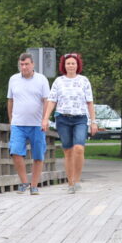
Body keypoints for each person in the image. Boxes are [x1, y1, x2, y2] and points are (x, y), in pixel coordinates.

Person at [42, 52, 98, 193]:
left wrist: (93, 122)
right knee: (67, 151)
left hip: (80, 118)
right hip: (63, 119)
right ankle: (70, 183)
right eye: (68, 63)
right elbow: (52, 101)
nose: (71, 66)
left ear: (78, 65)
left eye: (73, 63)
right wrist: (45, 119)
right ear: (64, 66)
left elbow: (90, 102)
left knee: (78, 148)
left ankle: (77, 180)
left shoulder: (84, 81)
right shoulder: (58, 81)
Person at [7, 52, 50, 194]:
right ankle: (24, 182)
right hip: (18, 123)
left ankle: (34, 185)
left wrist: (45, 119)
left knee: (38, 155)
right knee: (15, 151)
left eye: (26, 64)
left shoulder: (41, 79)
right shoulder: (13, 79)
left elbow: (46, 101)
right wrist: (11, 119)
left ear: (33, 64)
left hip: (37, 124)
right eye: (21, 64)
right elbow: (10, 100)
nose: (24, 67)